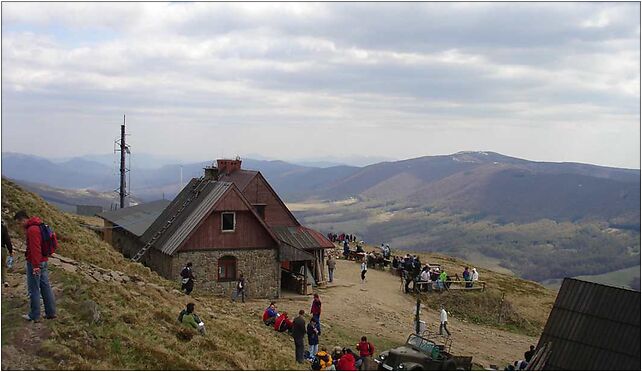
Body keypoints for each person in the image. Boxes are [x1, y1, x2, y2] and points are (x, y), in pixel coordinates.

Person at [14, 211, 56, 322]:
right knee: (45, 287)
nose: (19, 226)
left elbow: (35, 249)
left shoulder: (32, 230)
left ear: (23, 219)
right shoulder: (38, 225)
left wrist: (35, 266)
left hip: (35, 263)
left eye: (19, 223)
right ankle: (51, 313)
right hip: (43, 261)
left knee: (34, 289)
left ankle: (34, 315)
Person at [2, 220, 14, 287]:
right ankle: (5, 281)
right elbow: (7, 240)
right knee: (3, 266)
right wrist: (10, 251)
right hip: (2, 249)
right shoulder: (3, 227)